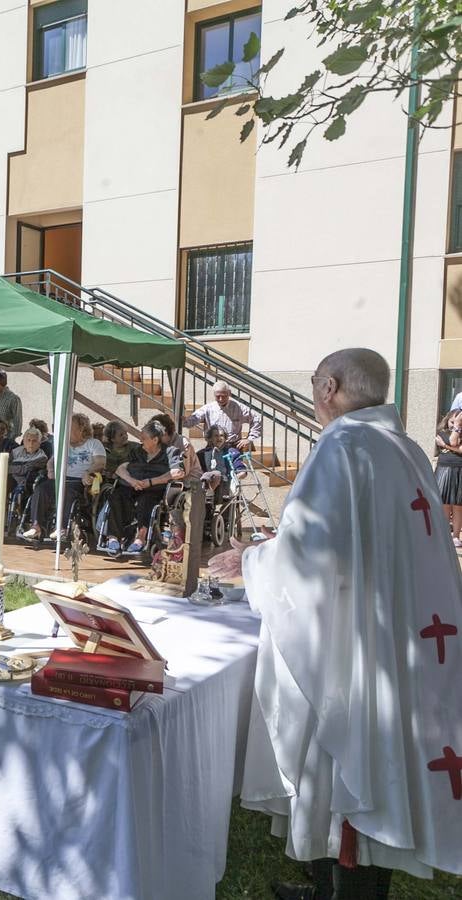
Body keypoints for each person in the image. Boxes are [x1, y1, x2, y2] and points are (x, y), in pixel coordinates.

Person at [208, 348, 462, 897]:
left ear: (330, 387)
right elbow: (352, 544)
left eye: (317, 385)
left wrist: (252, 561)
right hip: (393, 642)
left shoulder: (341, 447)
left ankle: (343, 892)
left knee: (345, 772)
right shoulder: (407, 448)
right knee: (367, 770)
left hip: (353, 651)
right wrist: (270, 547)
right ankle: (327, 886)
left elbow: (309, 566)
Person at [23, 413, 106, 542]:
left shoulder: (93, 444)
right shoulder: (64, 444)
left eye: (70, 427)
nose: (66, 430)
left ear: (81, 429)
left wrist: (88, 472)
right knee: (41, 489)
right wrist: (50, 470)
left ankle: (62, 528)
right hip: (60, 479)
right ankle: (36, 527)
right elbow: (52, 461)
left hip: (79, 481)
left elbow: (100, 463)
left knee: (67, 492)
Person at [102, 421, 172, 556]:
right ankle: (113, 538)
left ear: (155, 440)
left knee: (146, 500)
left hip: (153, 490)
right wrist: (132, 481)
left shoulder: (169, 452)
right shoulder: (137, 451)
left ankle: (140, 538)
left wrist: (150, 482)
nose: (141, 440)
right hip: (132, 486)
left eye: (144, 438)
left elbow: (176, 473)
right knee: (116, 494)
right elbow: (120, 468)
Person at [0, 425, 47, 544]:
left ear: (39, 443)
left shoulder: (41, 457)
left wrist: (1, 468)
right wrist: (0, 468)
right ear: (24, 441)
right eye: (28, 440)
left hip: (26, 482)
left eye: (34, 441)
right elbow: (7, 462)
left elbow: (24, 469)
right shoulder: (16, 451)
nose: (31, 443)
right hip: (11, 478)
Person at [183, 381, 263, 451]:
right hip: (213, 446)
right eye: (218, 396)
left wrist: (249, 439)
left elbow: (256, 419)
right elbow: (194, 419)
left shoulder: (239, 408)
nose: (221, 399)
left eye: (224, 396)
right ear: (214, 395)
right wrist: (184, 421)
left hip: (233, 447)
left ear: (229, 394)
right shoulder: (208, 408)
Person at [435, 409, 462, 547]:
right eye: (452, 422)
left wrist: (446, 446)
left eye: (457, 422)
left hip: (460, 470)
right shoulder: (442, 433)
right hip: (444, 469)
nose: (453, 425)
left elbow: (454, 445)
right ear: (447, 421)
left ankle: (456, 536)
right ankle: (445, 534)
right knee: (444, 504)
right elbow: (453, 442)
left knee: (458, 506)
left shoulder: (456, 432)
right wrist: (453, 444)